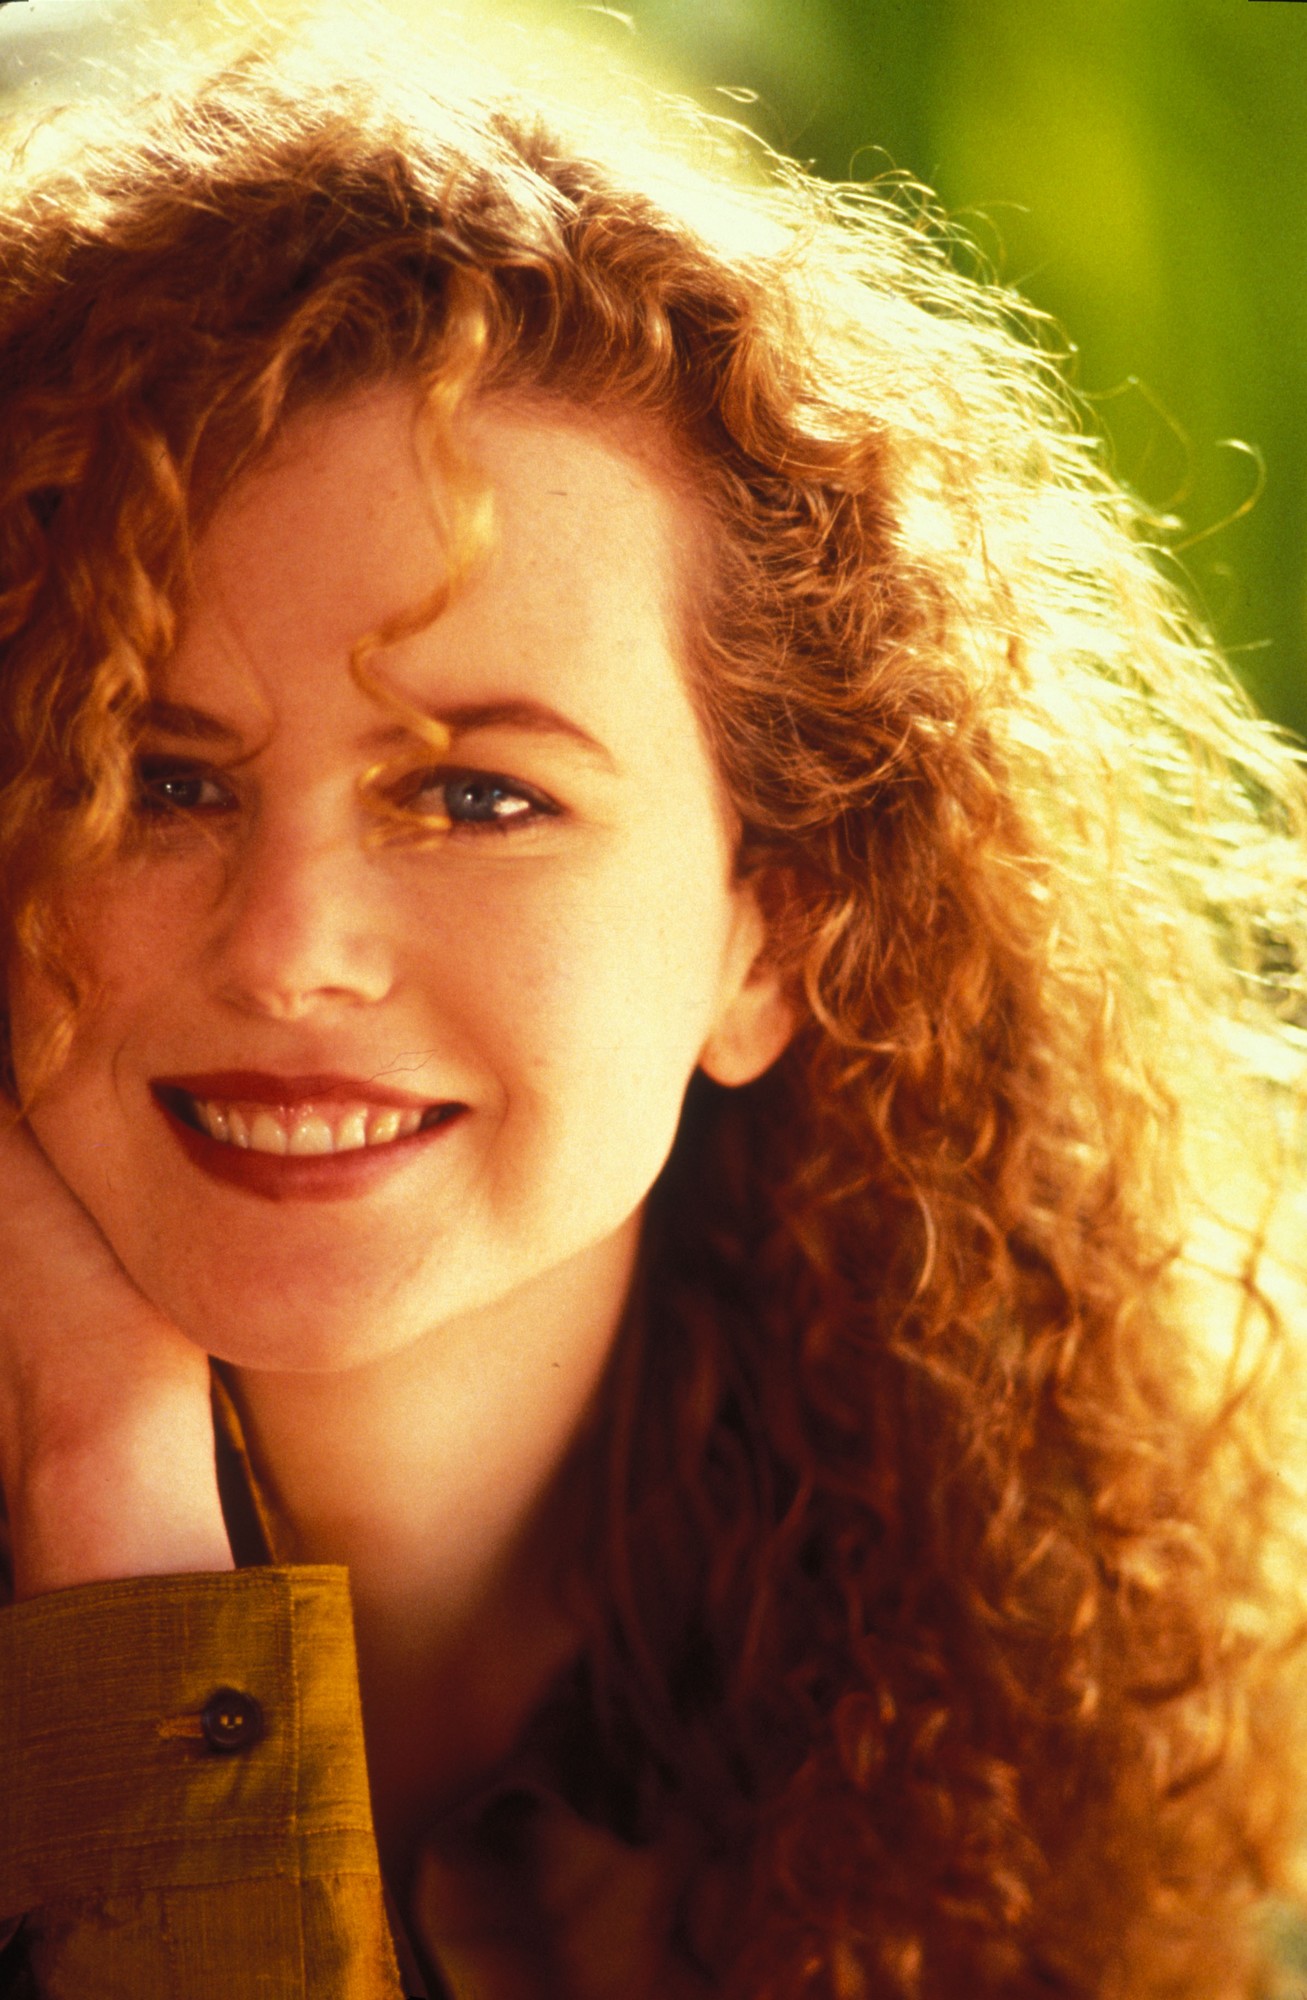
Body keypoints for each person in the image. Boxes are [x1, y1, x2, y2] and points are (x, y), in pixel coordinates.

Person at [1, 9, 1306, 1997]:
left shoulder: (1044, 1752)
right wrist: (108, 1504)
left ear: (773, 933)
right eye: (158, 780)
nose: (289, 944)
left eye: (475, 794)